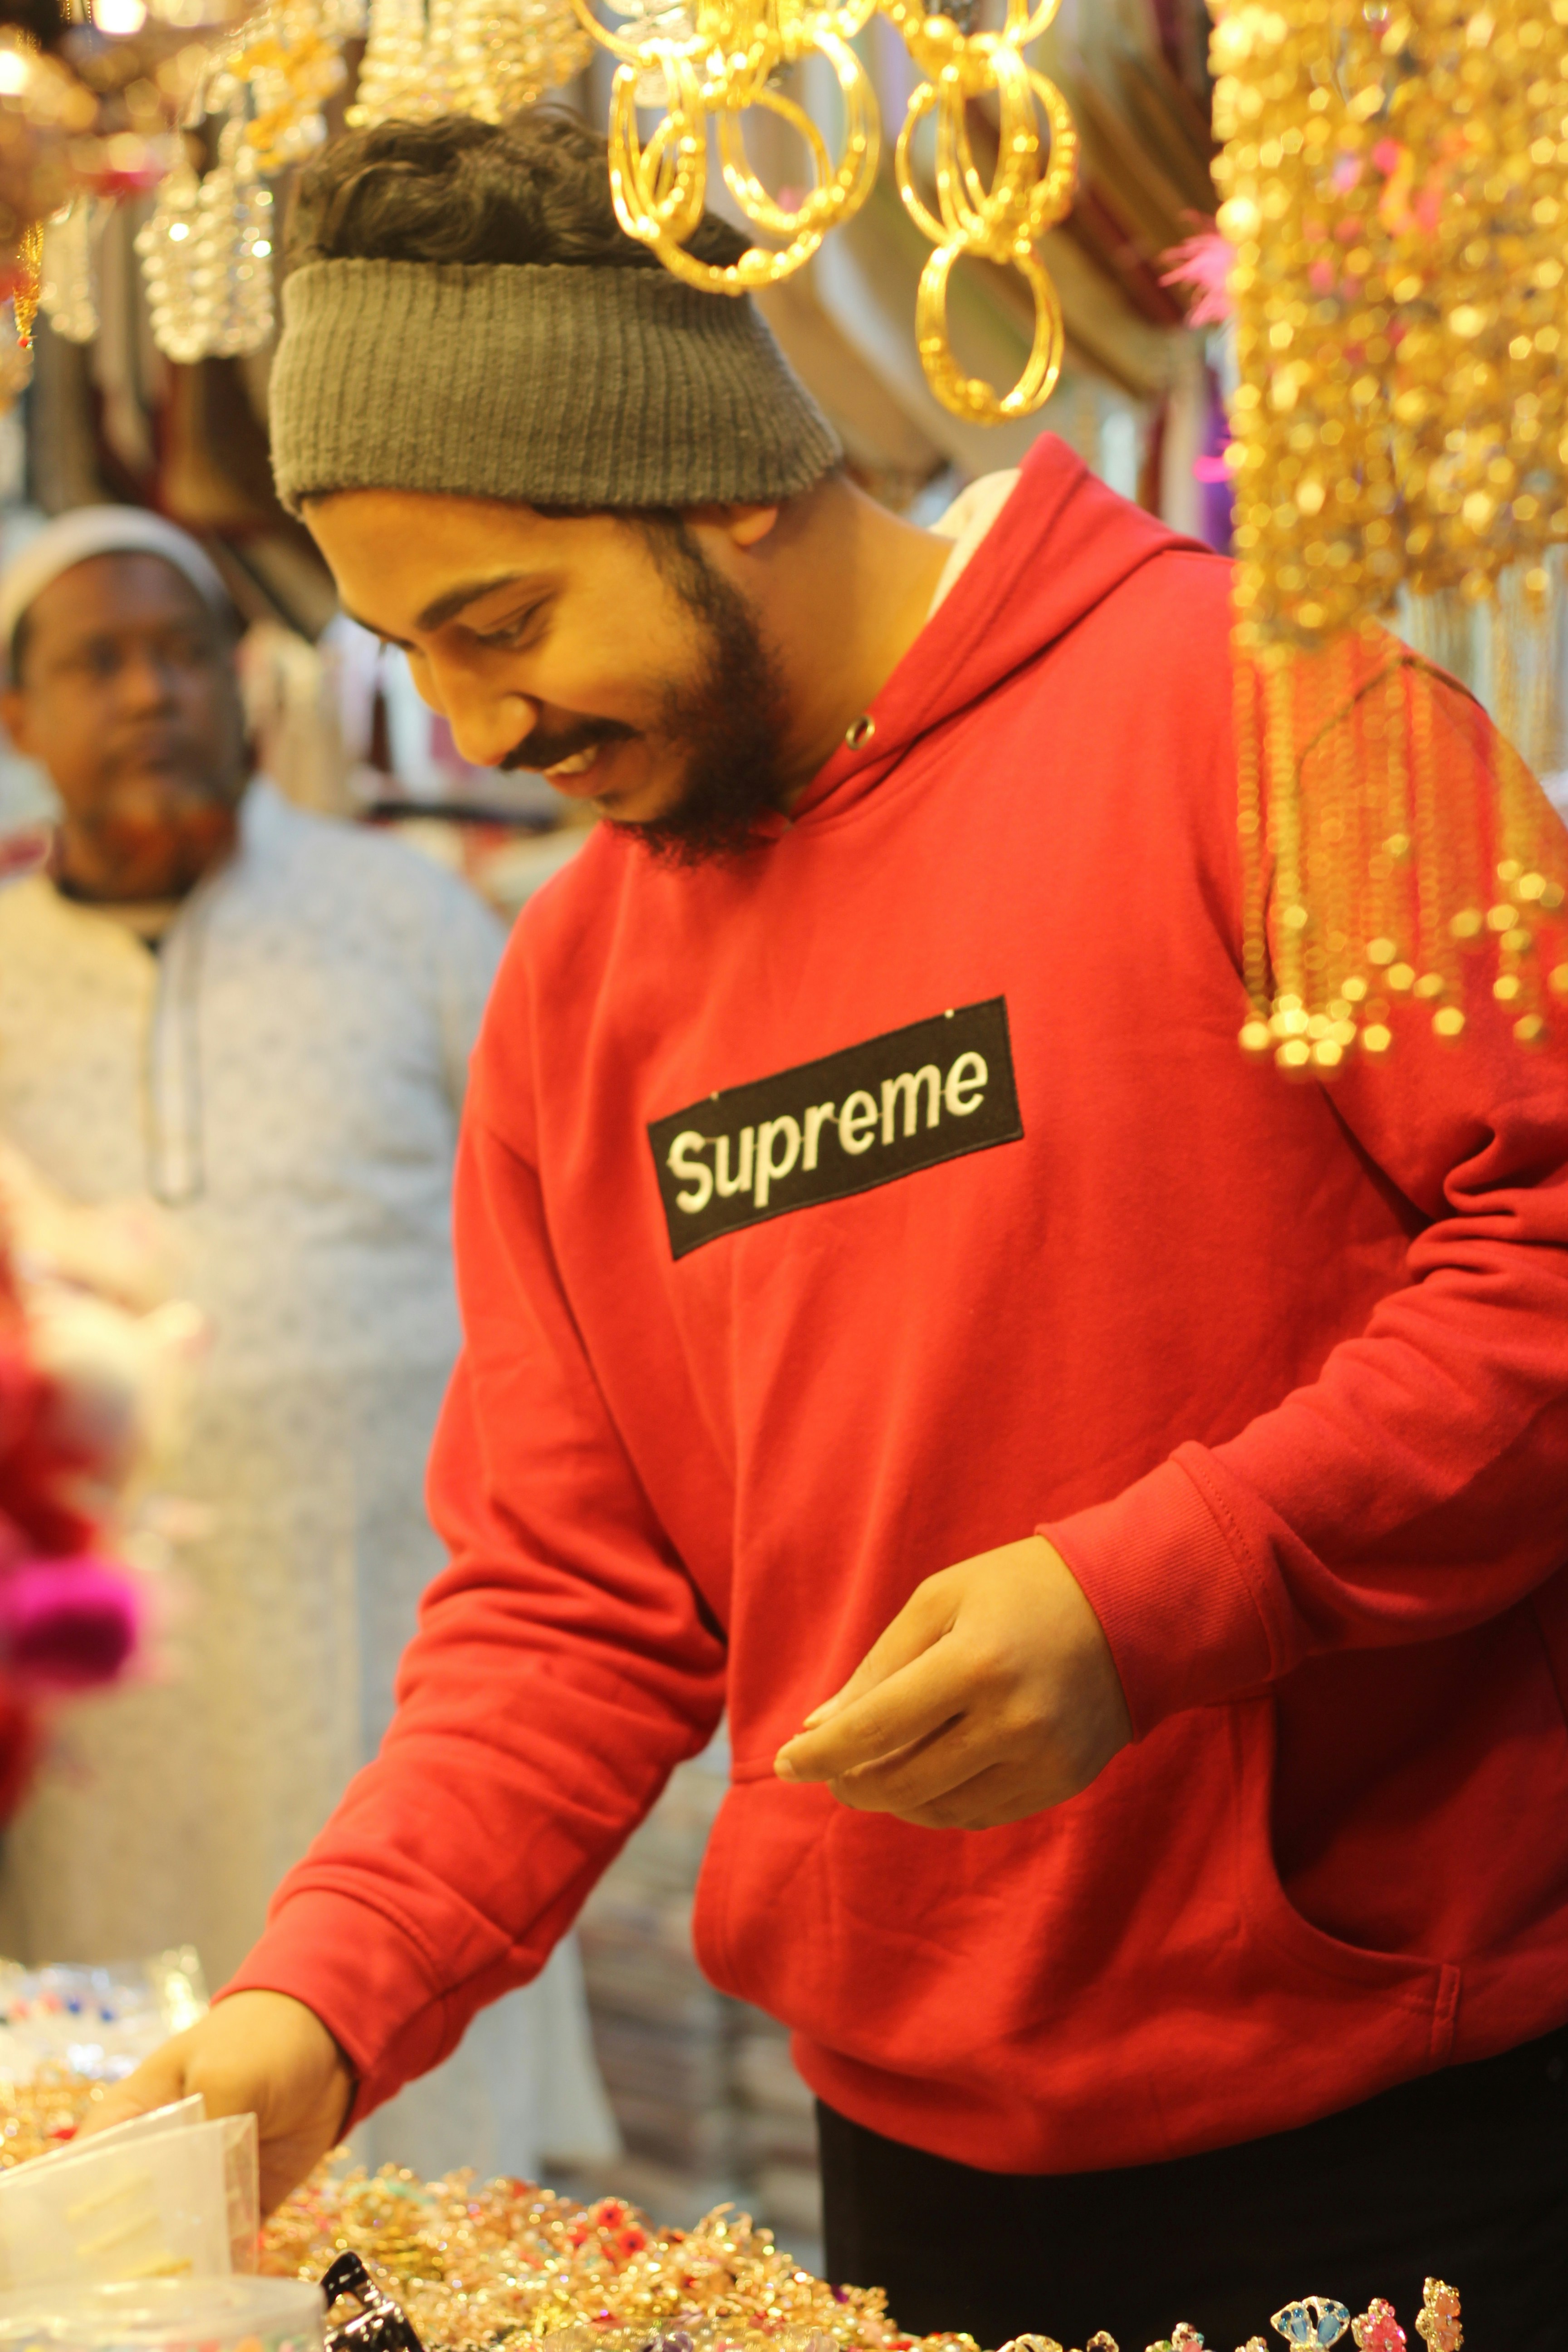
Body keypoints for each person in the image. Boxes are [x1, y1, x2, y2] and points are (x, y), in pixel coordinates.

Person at [93, 114, 1568, 2349]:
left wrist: (1156, 1593)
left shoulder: (1275, 717)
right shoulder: (580, 996)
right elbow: (572, 1610)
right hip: (920, 2171)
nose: (483, 727)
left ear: (725, 477)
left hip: (1411, 2119)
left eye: (503, 623)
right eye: (416, 650)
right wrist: (329, 1991)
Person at [0, 505, 617, 2182]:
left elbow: (568, 1214)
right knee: (125, 2146)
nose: (154, 694)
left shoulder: (404, 916)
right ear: (17, 719)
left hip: (392, 1627)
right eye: (102, 663)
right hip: (119, 1696)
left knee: (424, 2107)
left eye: (185, 653)